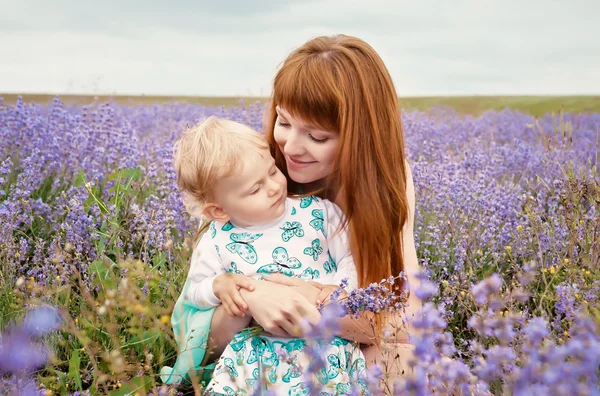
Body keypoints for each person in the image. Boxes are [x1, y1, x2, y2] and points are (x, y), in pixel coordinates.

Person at [190, 34, 421, 392]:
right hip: (255, 358)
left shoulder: (387, 181)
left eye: (317, 136)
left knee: (412, 363)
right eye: (283, 122)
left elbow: (410, 323)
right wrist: (252, 295)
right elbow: (197, 345)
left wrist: (311, 298)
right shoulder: (250, 173)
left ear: (359, 137)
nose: (290, 148)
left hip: (339, 356)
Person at [161, 116, 368, 393]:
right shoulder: (216, 238)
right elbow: (194, 292)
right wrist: (219, 286)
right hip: (253, 353)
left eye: (272, 171)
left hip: (322, 344)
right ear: (219, 210)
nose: (273, 186)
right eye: (255, 188)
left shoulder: (319, 213)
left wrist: (338, 290)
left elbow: (349, 259)